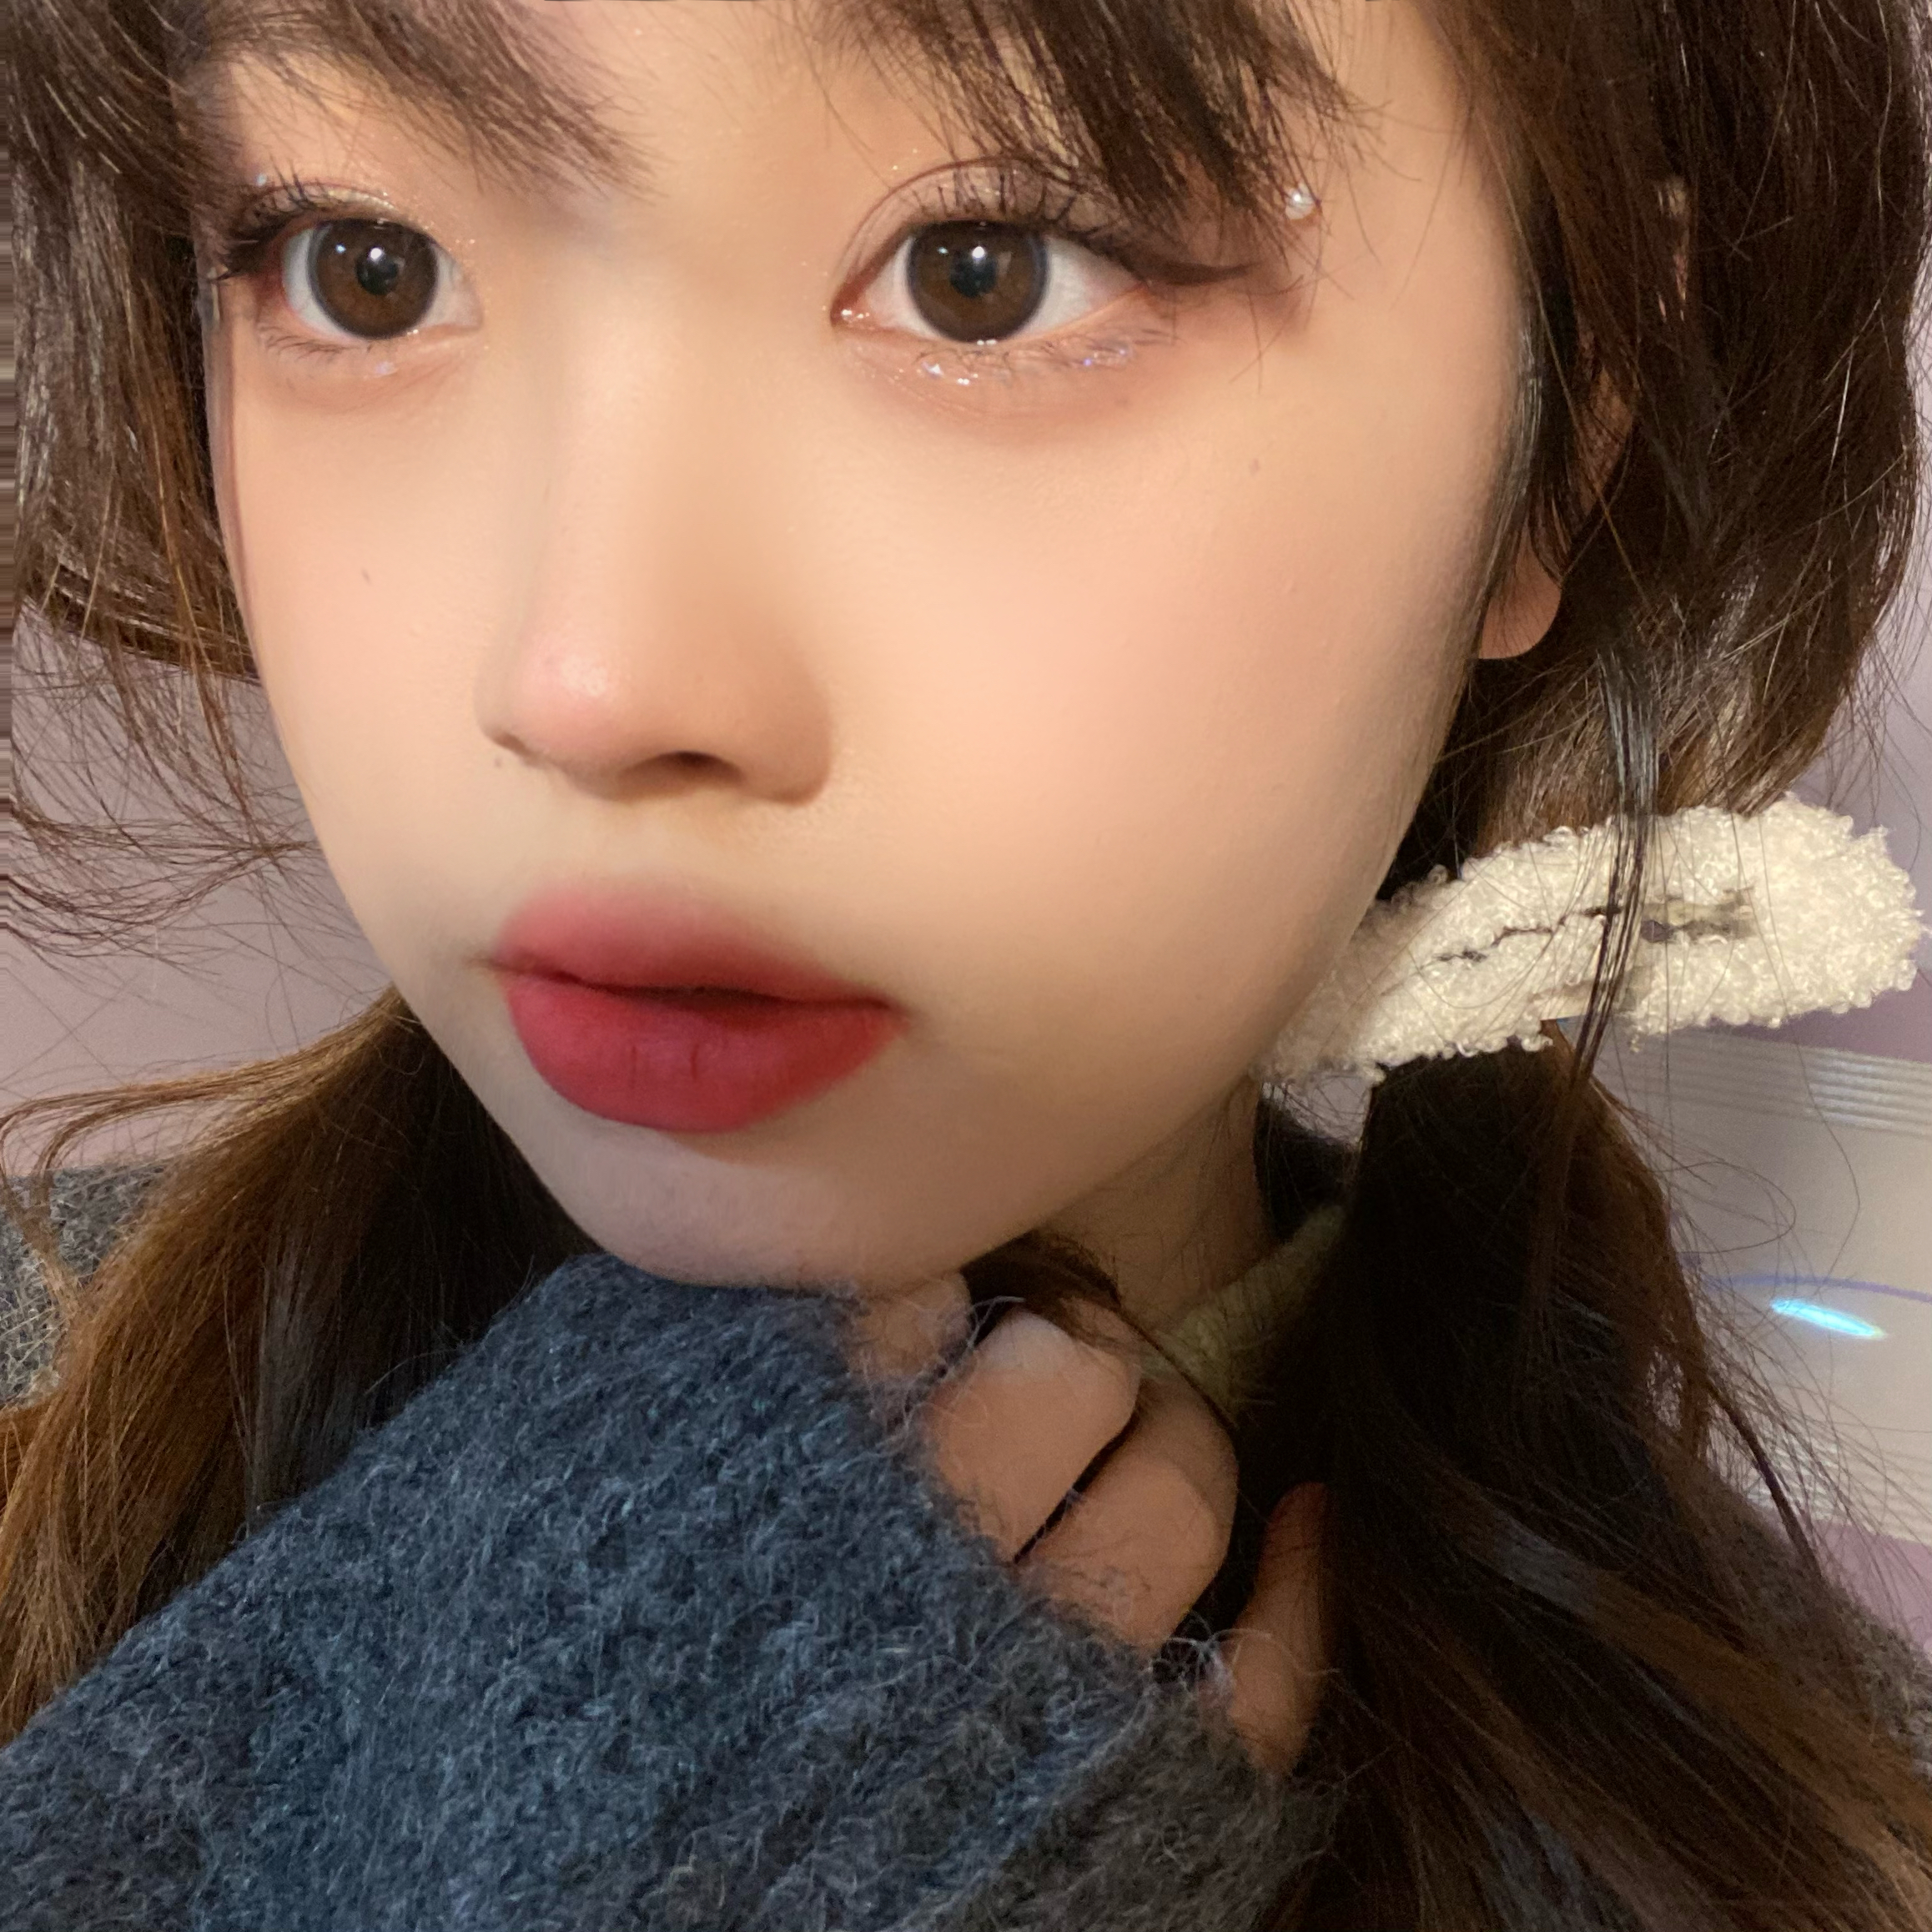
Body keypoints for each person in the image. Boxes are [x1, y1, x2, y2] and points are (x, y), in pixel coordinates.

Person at [3, 0, 1931, 1924]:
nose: (592, 682)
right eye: (364, 266)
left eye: (985, 272)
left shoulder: (1831, 1847)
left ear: (1568, 423)